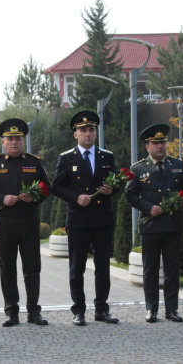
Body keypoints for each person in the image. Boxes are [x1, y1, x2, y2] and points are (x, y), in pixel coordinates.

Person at [0, 118, 51, 327]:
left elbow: (47, 187)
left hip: (29, 220)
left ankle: (33, 311)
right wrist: (2, 198)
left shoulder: (34, 162)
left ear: (23, 140)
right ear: (3, 142)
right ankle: (11, 311)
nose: (14, 142)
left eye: (18, 138)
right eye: (10, 139)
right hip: (5, 222)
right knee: (7, 267)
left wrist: (35, 197)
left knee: (32, 267)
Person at [51, 110, 118, 326]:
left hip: (102, 219)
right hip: (79, 220)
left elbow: (116, 183)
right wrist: (75, 197)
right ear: (75, 134)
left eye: (91, 130)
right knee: (76, 268)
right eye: (83, 130)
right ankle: (78, 310)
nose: (88, 133)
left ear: (95, 133)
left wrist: (111, 190)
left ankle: (102, 308)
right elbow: (57, 187)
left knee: (103, 267)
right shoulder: (66, 157)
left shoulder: (107, 156)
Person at [125, 123, 183, 323]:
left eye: (163, 142)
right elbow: (130, 196)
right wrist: (149, 208)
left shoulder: (178, 165)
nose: (160, 146)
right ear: (147, 146)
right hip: (150, 226)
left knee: (172, 269)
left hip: (173, 225)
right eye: (155, 143)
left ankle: (172, 309)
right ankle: (151, 309)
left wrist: (178, 202)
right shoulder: (138, 168)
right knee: (150, 269)